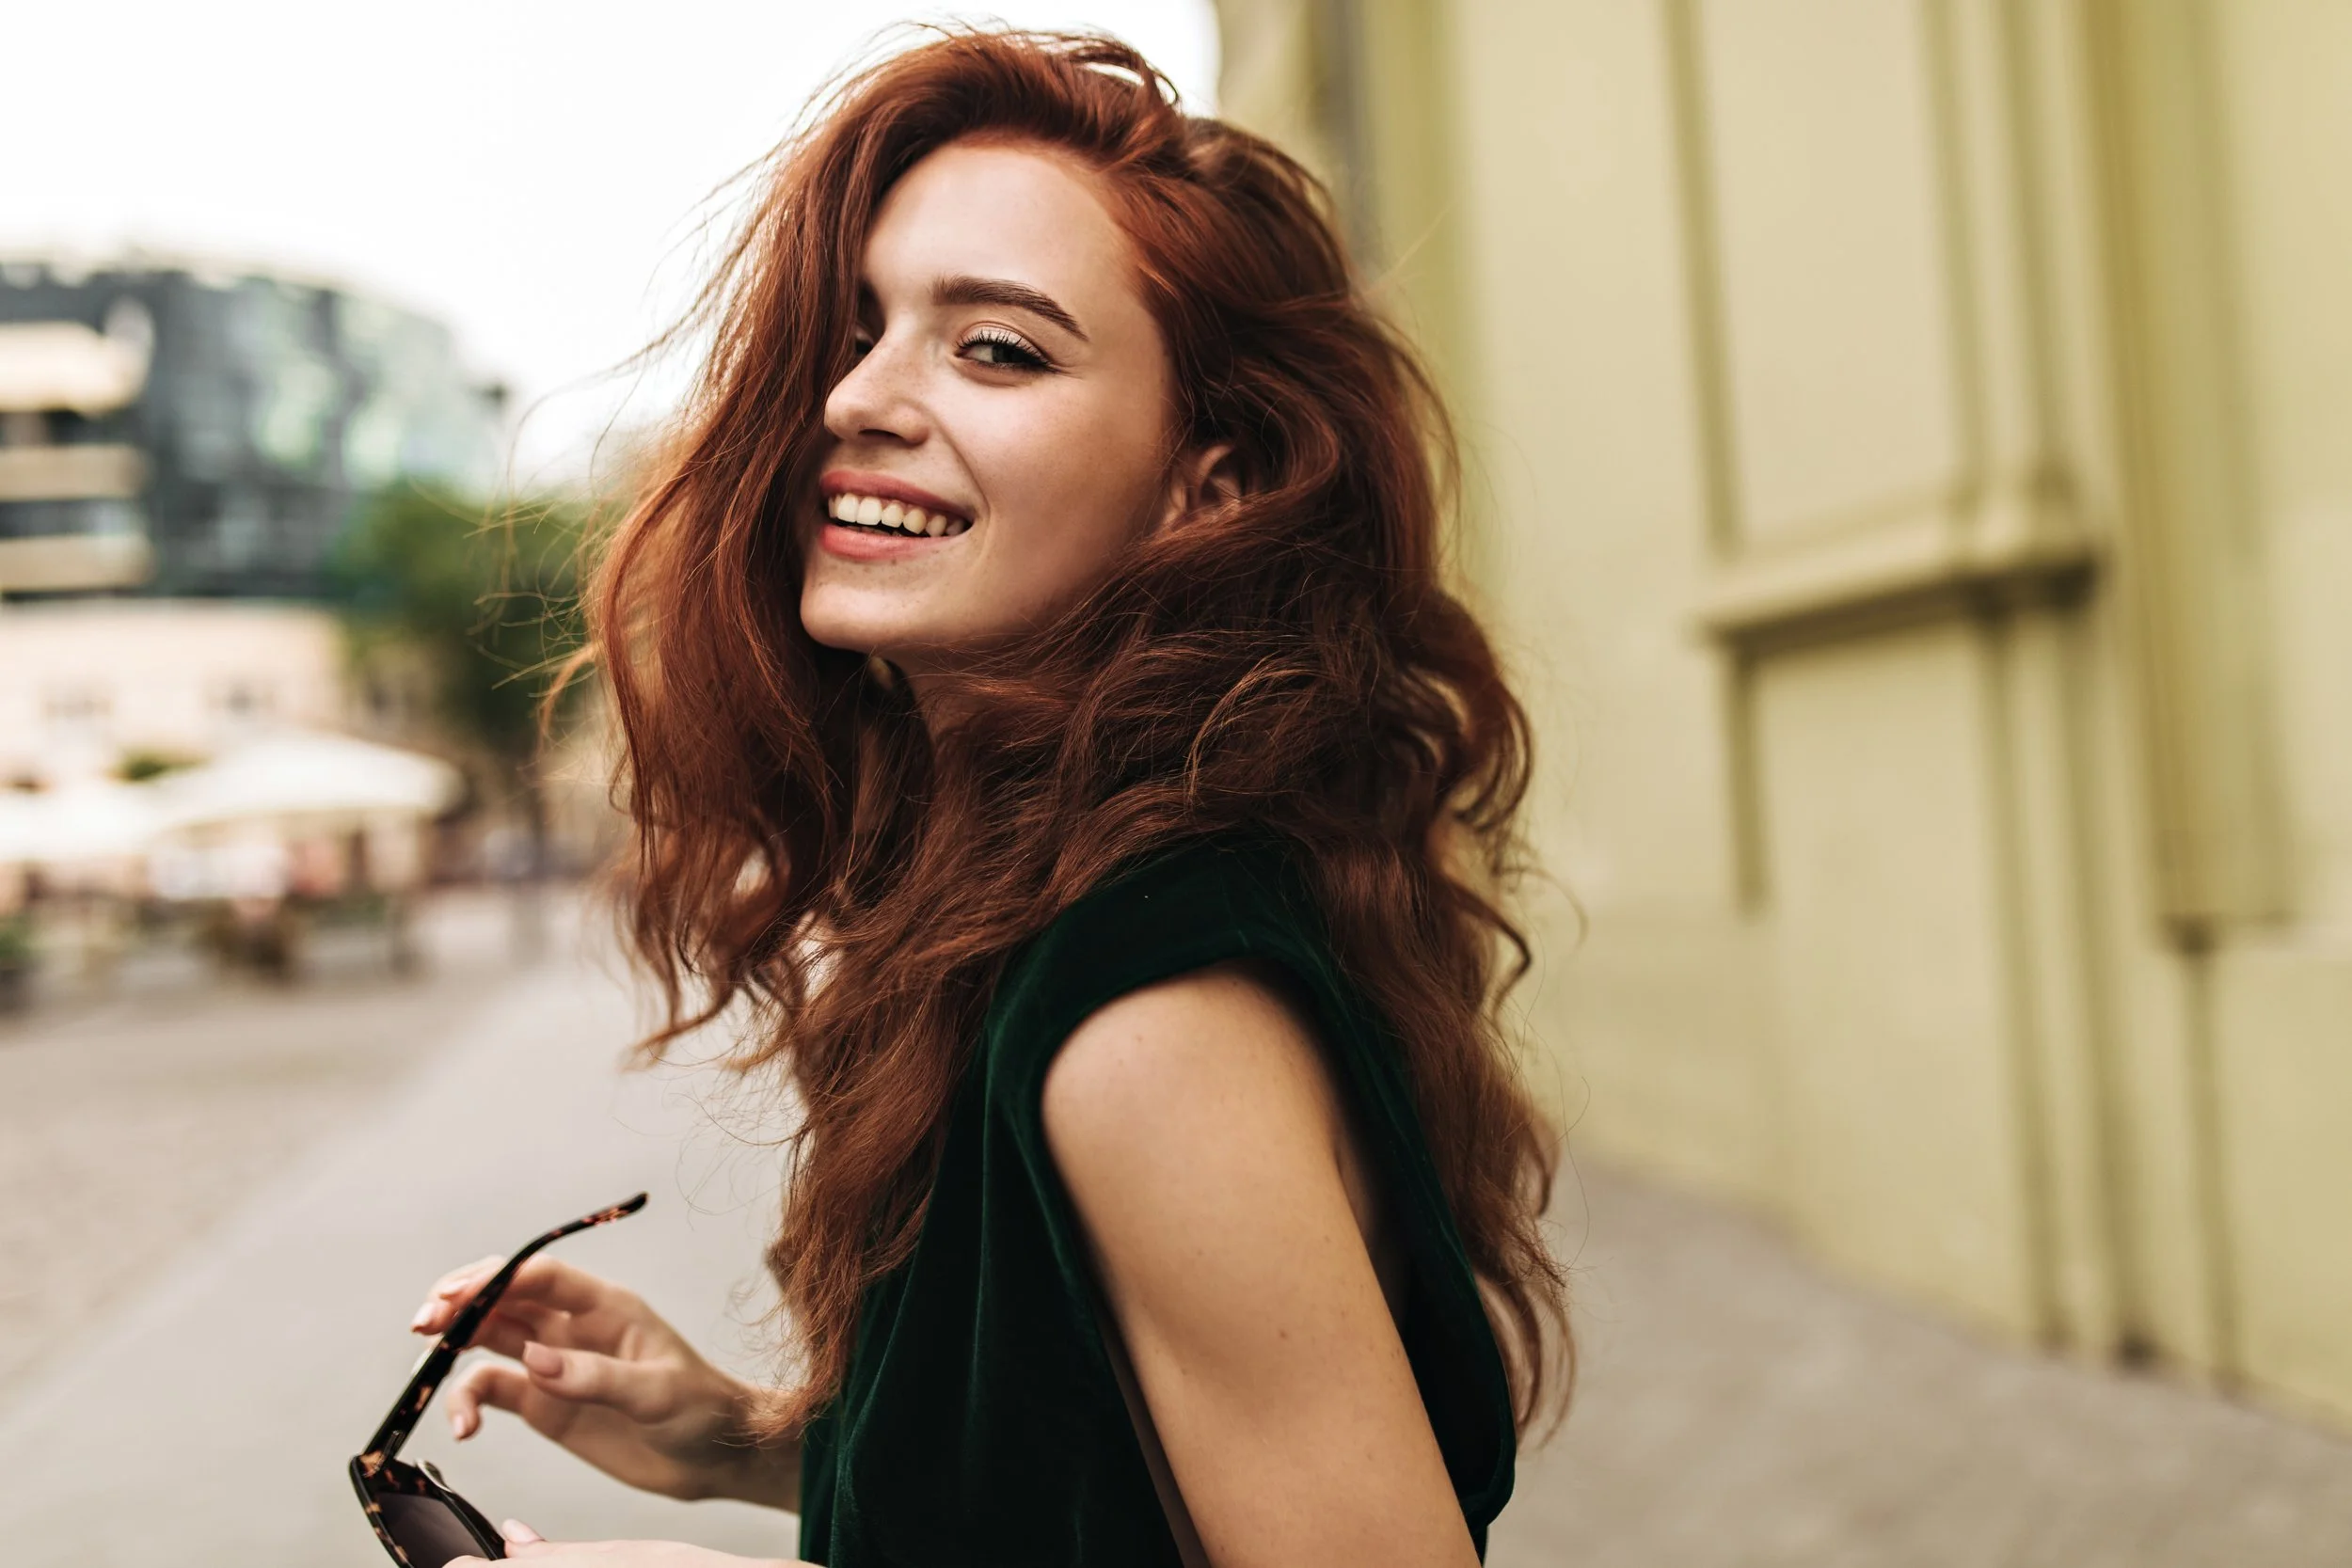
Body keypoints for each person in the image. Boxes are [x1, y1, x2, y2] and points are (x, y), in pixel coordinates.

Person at [417, 25, 1570, 1568]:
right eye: (860, 327)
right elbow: (1083, 1491)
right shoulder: (1035, 902)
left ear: (1207, 486)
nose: (855, 399)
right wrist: (750, 1443)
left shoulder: (1144, 1009)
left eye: (999, 347)